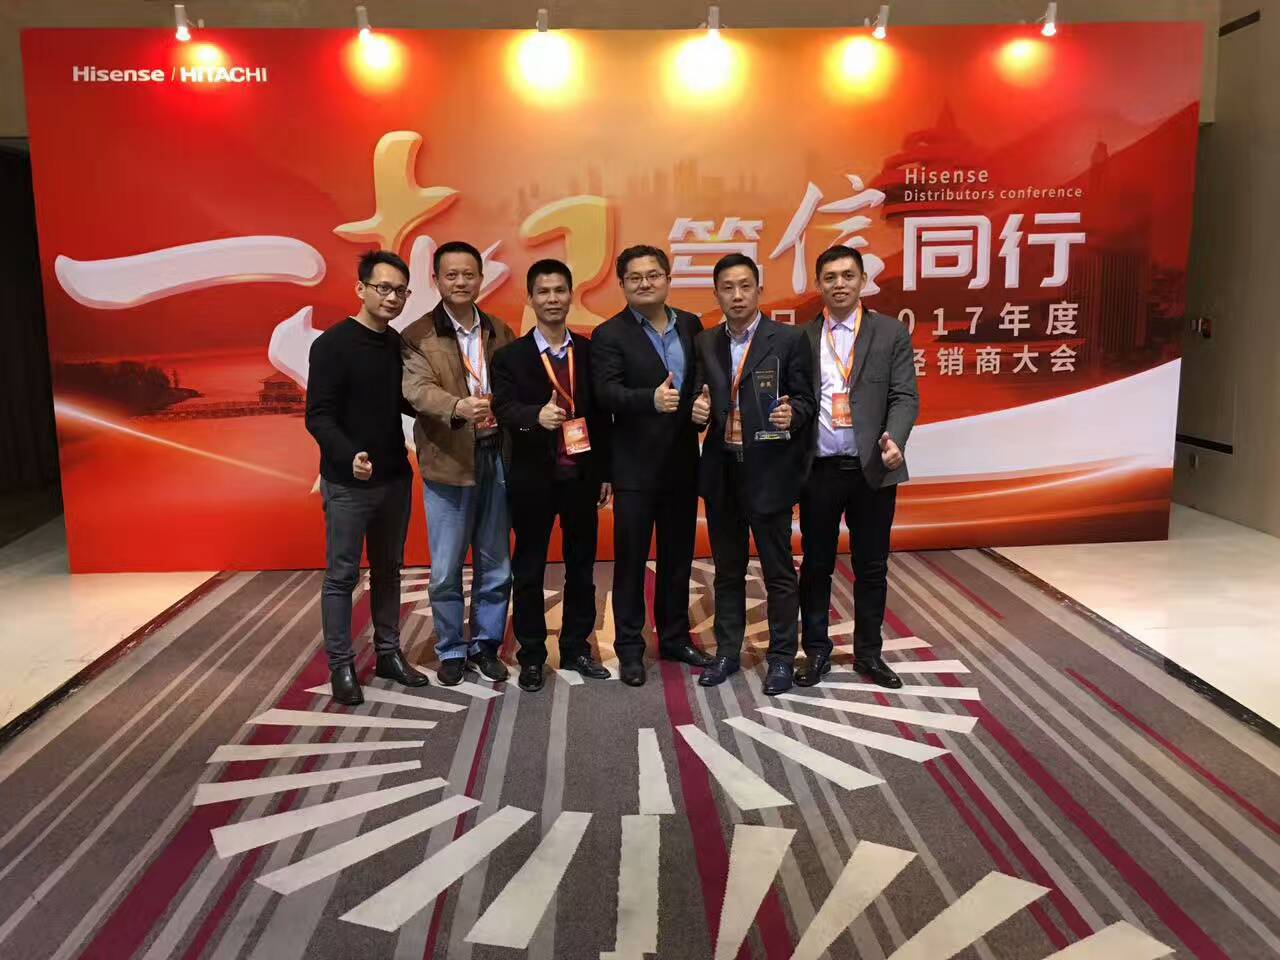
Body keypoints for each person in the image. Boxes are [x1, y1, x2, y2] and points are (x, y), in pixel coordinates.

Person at [305, 250, 429, 705]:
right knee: (342, 575)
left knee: (389, 571)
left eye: (400, 291)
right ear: (361, 288)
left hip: (395, 478)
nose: (392, 297)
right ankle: (341, 666)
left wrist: (452, 407)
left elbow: (408, 401)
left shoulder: (398, 345)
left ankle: (389, 653)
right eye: (384, 288)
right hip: (347, 482)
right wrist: (348, 454)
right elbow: (318, 416)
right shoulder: (332, 345)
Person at [795, 245, 920, 690]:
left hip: (873, 467)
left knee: (871, 566)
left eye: (848, 275)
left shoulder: (890, 333)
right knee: (816, 565)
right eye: (830, 277)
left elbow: (904, 396)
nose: (839, 284)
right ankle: (816, 652)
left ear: (863, 280)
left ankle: (869, 653)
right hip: (819, 470)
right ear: (818, 284)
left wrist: (895, 439)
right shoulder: (802, 338)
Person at [590, 245, 714, 686]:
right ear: (622, 284)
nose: (645, 283)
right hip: (634, 469)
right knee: (631, 561)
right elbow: (605, 393)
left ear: (667, 278)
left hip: (682, 464)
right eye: (635, 277)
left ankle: (675, 638)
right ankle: (629, 648)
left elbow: (700, 379)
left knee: (678, 558)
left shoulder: (691, 324)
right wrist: (650, 399)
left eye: (653, 275)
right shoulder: (609, 334)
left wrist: (700, 405)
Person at [691, 254, 814, 695]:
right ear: (717, 294)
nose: (737, 295)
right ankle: (727, 652)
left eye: (745, 286)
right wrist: (695, 410)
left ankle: (781, 657)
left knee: (778, 572)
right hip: (723, 470)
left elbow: (807, 399)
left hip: (769, 470)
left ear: (759, 290)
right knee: (727, 570)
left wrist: (793, 413)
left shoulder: (789, 339)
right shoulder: (705, 342)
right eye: (727, 287)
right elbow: (697, 396)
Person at [491, 259, 613, 692]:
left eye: (560, 290)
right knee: (529, 570)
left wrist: (605, 472)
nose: (553, 299)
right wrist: (534, 417)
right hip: (533, 480)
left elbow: (602, 417)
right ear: (530, 298)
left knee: (582, 567)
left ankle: (577, 647)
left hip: (581, 477)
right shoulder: (510, 357)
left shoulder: (590, 352)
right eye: (543, 292)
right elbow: (503, 408)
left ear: (570, 295)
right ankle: (531, 656)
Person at [401, 241, 515, 686]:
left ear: (481, 278)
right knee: (446, 567)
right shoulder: (417, 335)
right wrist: (456, 407)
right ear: (436, 280)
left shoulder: (500, 330)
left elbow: (514, 386)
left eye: (469, 274)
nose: (461, 282)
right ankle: (450, 648)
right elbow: (417, 390)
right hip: (447, 460)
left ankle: (486, 645)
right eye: (451, 275)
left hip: (496, 456)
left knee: (496, 562)